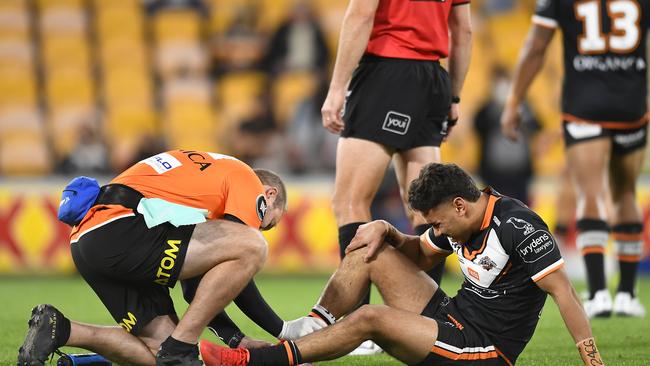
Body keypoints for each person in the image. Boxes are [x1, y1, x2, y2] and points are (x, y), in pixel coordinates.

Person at [200, 163, 604, 366]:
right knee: (367, 248)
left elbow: (564, 293)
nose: (436, 229)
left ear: (459, 206)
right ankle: (311, 328)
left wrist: (592, 360)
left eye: (437, 221)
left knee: (370, 317)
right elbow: (419, 254)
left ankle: (258, 360)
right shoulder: (459, 219)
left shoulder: (519, 227)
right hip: (454, 317)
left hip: (484, 349)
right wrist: (388, 232)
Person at [17, 150, 325, 366]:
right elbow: (241, 251)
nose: (262, 225)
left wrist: (235, 340)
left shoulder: (206, 182)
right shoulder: (246, 179)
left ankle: (59, 327)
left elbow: (196, 287)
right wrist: (282, 330)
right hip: (121, 227)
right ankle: (182, 347)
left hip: (87, 240)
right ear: (269, 194)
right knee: (253, 245)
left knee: (158, 352)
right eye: (269, 220)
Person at [319, 0, 472, 353]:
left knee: (350, 200)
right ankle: (430, 323)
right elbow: (462, 30)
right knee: (425, 207)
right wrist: (454, 95)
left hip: (387, 72)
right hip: (434, 78)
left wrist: (337, 87)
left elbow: (360, 14)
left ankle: (357, 321)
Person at [500, 0, 648, 317]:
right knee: (625, 193)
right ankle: (627, 293)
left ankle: (597, 294)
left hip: (584, 105)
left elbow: (536, 47)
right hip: (631, 105)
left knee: (590, 192)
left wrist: (514, 101)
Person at [473, 65, 540, 205]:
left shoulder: (524, 107)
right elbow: (477, 127)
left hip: (520, 171)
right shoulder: (486, 109)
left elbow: (537, 126)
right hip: (493, 170)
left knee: (521, 208)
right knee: (493, 208)